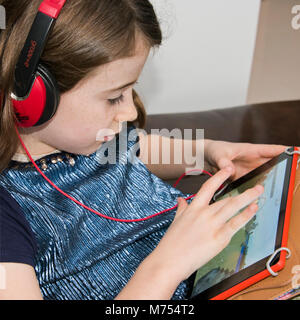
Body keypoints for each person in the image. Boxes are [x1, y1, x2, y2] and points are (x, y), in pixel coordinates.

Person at [0, 0, 287, 300]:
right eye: (114, 97)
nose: (129, 112)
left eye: (130, 91)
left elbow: (134, 149)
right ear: (30, 95)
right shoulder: (7, 215)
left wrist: (206, 153)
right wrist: (168, 265)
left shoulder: (93, 137)